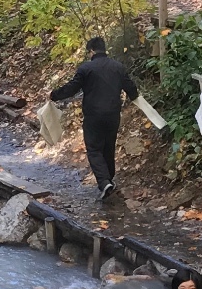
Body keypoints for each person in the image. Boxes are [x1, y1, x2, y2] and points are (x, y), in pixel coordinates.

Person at [49, 35, 139, 200]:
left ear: (91, 51)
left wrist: (54, 95)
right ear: (104, 49)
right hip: (113, 115)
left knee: (94, 149)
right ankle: (109, 181)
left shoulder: (86, 69)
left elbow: (71, 88)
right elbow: (131, 88)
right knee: (108, 147)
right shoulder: (118, 67)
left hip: (93, 116)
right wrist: (135, 98)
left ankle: (104, 182)